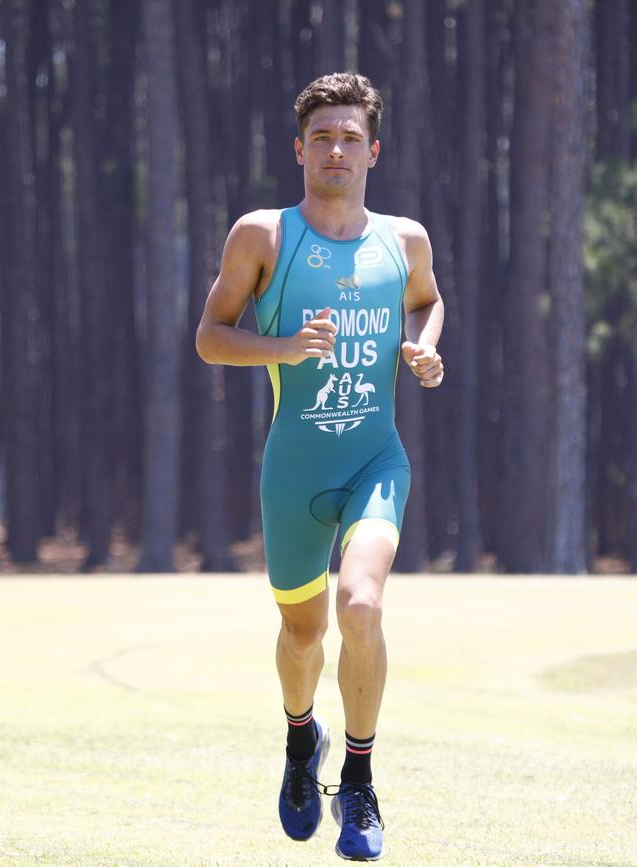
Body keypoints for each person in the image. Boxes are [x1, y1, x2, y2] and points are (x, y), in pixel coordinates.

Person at [196, 72, 444, 862]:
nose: (335, 150)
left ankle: (361, 784)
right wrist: (282, 348)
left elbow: (428, 299)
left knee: (360, 604)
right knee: (302, 636)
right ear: (299, 148)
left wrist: (426, 347)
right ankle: (303, 741)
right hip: (294, 474)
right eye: (321, 137)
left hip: (375, 456)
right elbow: (210, 334)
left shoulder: (403, 239)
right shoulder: (262, 236)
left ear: (373, 150)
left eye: (349, 137)